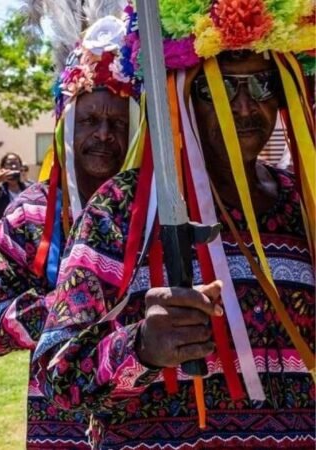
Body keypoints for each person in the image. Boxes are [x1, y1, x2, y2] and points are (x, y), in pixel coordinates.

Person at [36, 3, 314, 449]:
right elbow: (56, 373)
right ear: (181, 95)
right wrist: (141, 346)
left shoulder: (305, 204)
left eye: (261, 84)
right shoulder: (121, 210)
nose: (243, 106)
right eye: (220, 89)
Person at [0, 11, 141, 449]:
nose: (103, 135)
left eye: (118, 123)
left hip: (145, 424)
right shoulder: (27, 217)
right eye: (89, 121)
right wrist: (73, 304)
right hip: (58, 426)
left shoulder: (159, 211)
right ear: (66, 126)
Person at [0, 152, 28, 230]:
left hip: (23, 235)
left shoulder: (27, 189)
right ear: (3, 168)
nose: (13, 166)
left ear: (20, 167)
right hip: (3, 234)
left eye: (16, 163)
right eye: (9, 163)